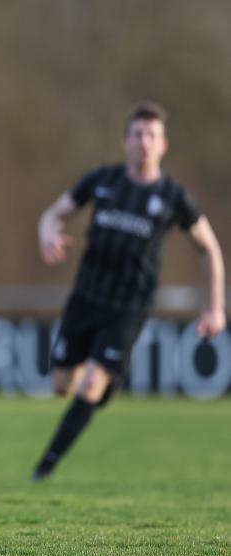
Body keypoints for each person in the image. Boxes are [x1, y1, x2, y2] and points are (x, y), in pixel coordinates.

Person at [32, 101, 226, 481]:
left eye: (152, 135)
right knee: (60, 385)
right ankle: (107, 381)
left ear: (163, 145)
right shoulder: (102, 181)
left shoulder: (174, 197)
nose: (144, 142)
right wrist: (47, 234)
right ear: (125, 142)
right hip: (86, 296)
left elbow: (210, 249)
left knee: (91, 383)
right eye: (137, 134)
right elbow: (52, 214)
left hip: (129, 306)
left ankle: (45, 468)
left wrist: (215, 307)